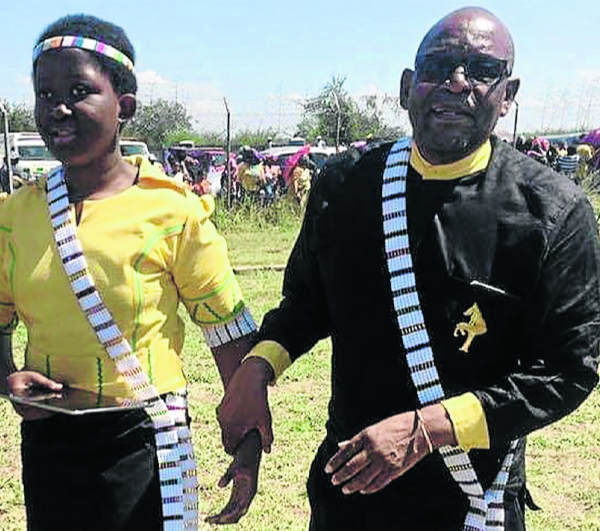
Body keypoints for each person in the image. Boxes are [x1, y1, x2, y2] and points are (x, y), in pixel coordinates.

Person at [216, 7, 600, 531]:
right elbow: (306, 304)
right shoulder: (347, 186)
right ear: (406, 86)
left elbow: (568, 368)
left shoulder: (552, 211)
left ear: (508, 95)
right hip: (349, 487)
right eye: (439, 65)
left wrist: (429, 429)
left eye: (482, 70)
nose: (458, 82)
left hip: (473, 493)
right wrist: (256, 370)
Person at [0, 14, 261, 531]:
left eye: (79, 91)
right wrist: (6, 377)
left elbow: (230, 334)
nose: (58, 108)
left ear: (124, 107)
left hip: (145, 443)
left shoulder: (174, 212)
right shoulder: (13, 218)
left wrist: (247, 440)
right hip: (48, 441)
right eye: (45, 93)